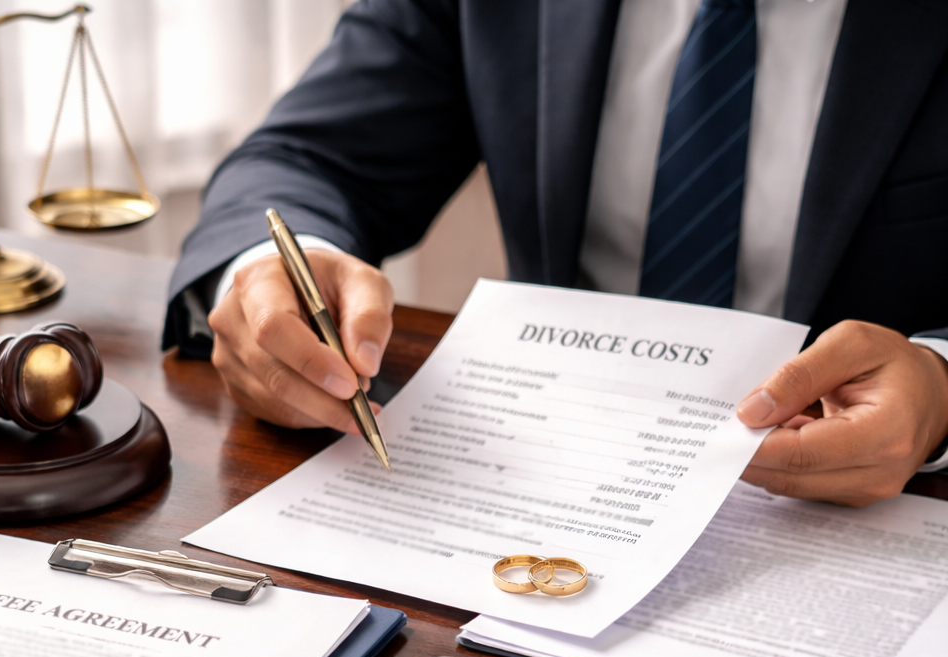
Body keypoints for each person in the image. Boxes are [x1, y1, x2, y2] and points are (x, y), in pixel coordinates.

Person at [163, 0, 948, 507]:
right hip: (546, 476)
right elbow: (305, 158)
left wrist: (942, 392)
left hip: (866, 506)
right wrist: (269, 275)